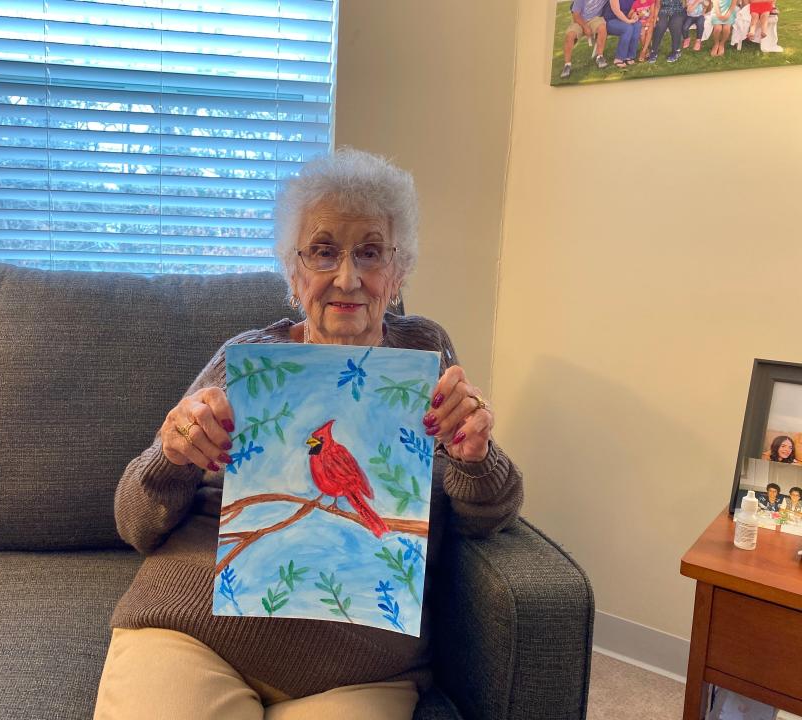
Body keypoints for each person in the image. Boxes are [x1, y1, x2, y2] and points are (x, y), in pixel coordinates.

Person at [92, 148, 523, 720]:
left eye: (369, 252)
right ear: (295, 274)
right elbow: (134, 524)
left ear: (397, 274)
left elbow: (491, 513)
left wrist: (475, 455)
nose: (347, 277)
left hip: (361, 667)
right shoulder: (249, 359)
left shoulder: (423, 354)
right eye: (323, 252)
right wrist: (171, 457)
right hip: (196, 632)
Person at [561, 0, 611, 79]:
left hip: (595, 19)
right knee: (570, 36)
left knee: (602, 28)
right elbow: (576, 15)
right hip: (579, 20)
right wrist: (585, 27)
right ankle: (567, 65)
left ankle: (600, 57)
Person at [603, 0, 642, 68]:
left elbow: (634, 9)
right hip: (611, 21)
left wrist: (634, 15)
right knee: (627, 28)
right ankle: (619, 58)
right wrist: (628, 21)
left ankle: (630, 56)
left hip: (625, 19)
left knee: (637, 25)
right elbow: (617, 11)